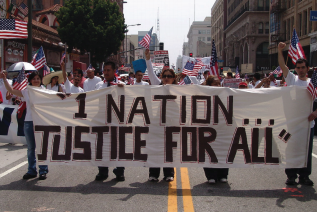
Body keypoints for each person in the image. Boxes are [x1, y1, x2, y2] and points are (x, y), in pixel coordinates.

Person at [278, 42, 315, 186]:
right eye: (298, 68)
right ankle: (291, 175)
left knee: (306, 151)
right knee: (291, 149)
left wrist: (315, 112)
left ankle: (304, 176)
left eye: (303, 68)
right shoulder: (292, 79)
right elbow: (282, 65)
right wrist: (281, 51)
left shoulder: (313, 83)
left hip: (308, 124)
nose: (300, 70)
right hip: (292, 123)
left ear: (307, 69)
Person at [0, 70, 48, 180]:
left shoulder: (45, 91)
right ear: (30, 80)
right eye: (34, 78)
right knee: (31, 148)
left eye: (38, 78)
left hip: (41, 122)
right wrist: (4, 79)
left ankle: (43, 170)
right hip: (29, 122)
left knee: (41, 147)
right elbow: (11, 90)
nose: (36, 80)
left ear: (40, 80)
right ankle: (31, 170)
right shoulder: (26, 91)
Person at [146, 48, 175, 182]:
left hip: (171, 123)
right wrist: (148, 59)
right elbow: (151, 73)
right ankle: (153, 173)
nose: (166, 78)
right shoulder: (157, 86)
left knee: (169, 148)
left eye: (169, 76)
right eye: (164, 76)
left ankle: (169, 173)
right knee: (155, 147)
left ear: (174, 78)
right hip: (157, 122)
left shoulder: (180, 90)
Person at [94, 61, 126, 181]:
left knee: (119, 147)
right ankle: (102, 171)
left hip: (117, 121)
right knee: (102, 147)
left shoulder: (122, 85)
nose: (106, 72)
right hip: (102, 120)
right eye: (105, 70)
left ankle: (119, 171)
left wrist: (124, 90)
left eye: (108, 70)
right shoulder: (99, 86)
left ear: (114, 71)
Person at [203, 75, 229, 184]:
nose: (218, 85)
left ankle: (223, 175)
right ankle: (211, 176)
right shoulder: (204, 96)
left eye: (219, 83)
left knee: (222, 151)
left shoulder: (225, 95)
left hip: (223, 129)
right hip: (209, 129)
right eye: (215, 83)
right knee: (209, 153)